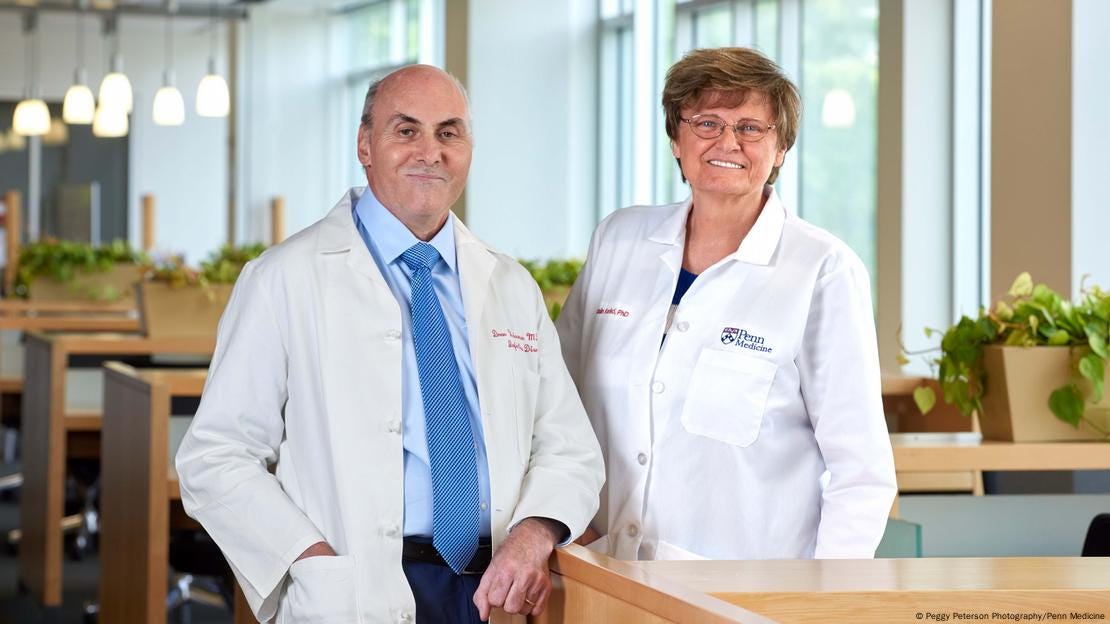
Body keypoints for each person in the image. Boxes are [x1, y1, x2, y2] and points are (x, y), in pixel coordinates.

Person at [175, 64, 604, 623]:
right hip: (355, 588)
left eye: (449, 132)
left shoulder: (509, 283)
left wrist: (533, 533)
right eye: (406, 130)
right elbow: (216, 455)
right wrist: (310, 559)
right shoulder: (284, 278)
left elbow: (569, 447)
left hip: (491, 589)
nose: (431, 151)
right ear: (365, 145)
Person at [556, 47, 896, 562]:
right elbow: (556, 404)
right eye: (706, 122)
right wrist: (562, 523)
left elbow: (861, 472)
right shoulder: (618, 240)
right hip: (600, 576)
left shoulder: (822, 269)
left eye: (751, 128)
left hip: (745, 595)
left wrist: (821, 603)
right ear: (676, 137)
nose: (728, 142)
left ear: (781, 148)